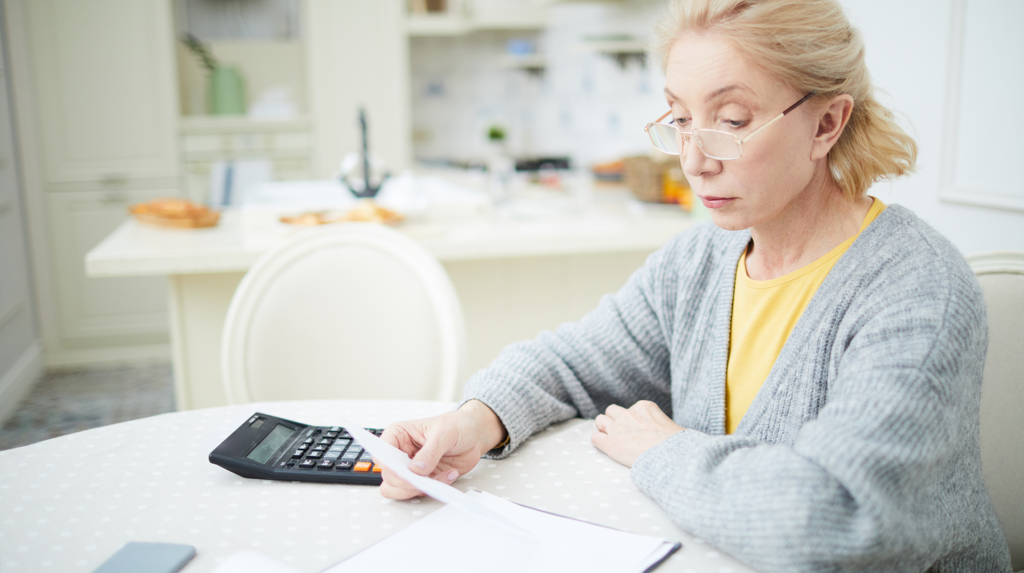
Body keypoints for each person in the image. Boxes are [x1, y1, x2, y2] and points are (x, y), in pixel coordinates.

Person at [379, 0, 1012, 570]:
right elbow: (572, 362)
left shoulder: (917, 290)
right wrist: (476, 419)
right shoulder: (701, 260)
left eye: (732, 121)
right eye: (680, 118)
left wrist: (664, 451)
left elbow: (837, 522)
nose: (693, 157)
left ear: (827, 125)